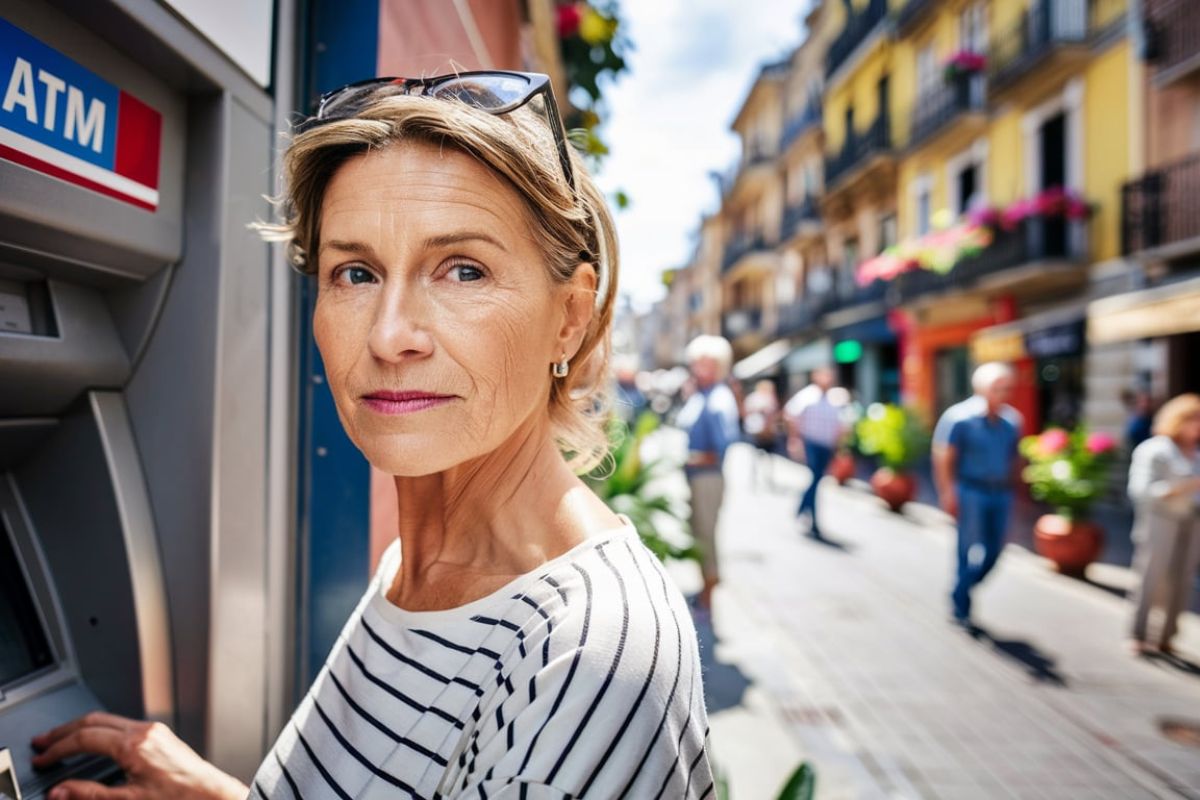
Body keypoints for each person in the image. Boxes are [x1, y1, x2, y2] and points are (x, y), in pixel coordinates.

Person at [31, 71, 714, 799]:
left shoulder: (590, 650)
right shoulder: (416, 567)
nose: (390, 337)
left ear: (571, 316)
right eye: (354, 273)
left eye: (462, 270)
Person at [933, 362, 1023, 625]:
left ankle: (962, 588)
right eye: (998, 387)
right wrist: (948, 492)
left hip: (1000, 492)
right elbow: (943, 456)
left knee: (995, 550)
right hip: (970, 490)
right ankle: (962, 605)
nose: (1004, 393)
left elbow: (1014, 458)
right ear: (981, 387)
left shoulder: (1011, 421)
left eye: (1007, 388)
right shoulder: (959, 417)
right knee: (966, 547)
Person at [1127, 393, 1200, 657]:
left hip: (1191, 520)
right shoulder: (1155, 449)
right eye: (1194, 420)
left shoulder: (1196, 452)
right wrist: (1180, 488)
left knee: (1183, 579)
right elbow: (1140, 490)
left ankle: (1168, 636)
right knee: (1151, 575)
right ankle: (1139, 632)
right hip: (1160, 519)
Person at [676, 335, 740, 613]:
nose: (698, 367)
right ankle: (706, 584)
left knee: (706, 534)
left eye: (705, 362)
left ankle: (709, 593)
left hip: (708, 477)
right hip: (697, 476)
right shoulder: (701, 394)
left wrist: (694, 458)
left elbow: (726, 442)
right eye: (696, 361)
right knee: (698, 531)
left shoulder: (718, 397)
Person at [784, 367, 846, 540]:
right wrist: (795, 439)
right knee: (816, 478)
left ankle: (803, 508)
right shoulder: (807, 396)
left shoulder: (835, 398)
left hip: (827, 446)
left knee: (816, 479)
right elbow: (791, 415)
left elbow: (841, 423)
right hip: (811, 443)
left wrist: (839, 445)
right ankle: (812, 518)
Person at [743, 379, 782, 490]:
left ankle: (767, 478)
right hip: (756, 432)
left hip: (768, 433)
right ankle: (755, 479)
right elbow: (748, 413)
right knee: (755, 457)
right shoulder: (754, 398)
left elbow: (774, 415)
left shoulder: (770, 398)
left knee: (768, 459)